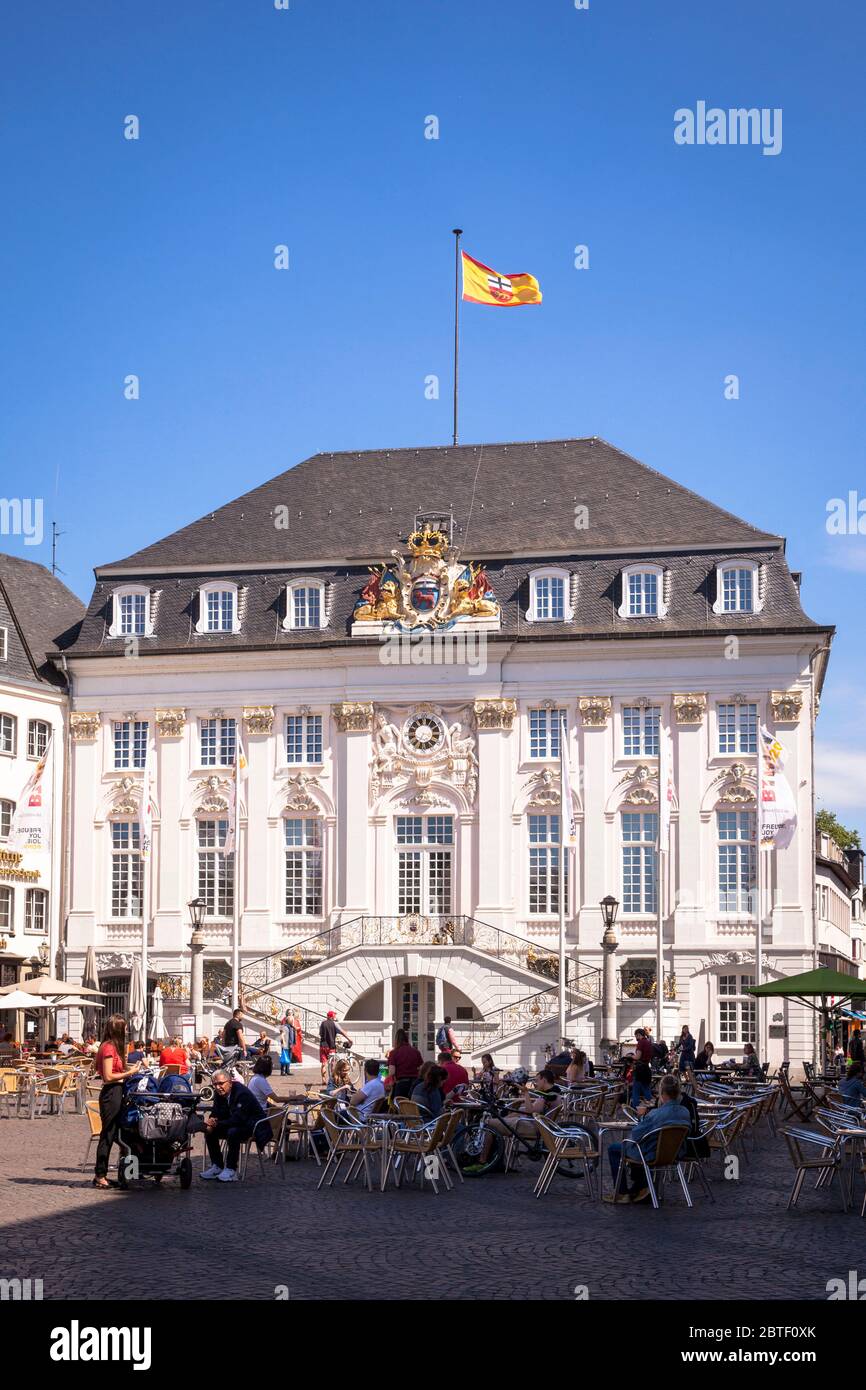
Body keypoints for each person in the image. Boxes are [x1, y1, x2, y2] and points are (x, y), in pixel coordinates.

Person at [605, 1073, 691, 1203]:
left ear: (662, 1093)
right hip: (674, 1154)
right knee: (638, 1147)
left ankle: (622, 1192)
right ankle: (641, 1187)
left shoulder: (656, 1114)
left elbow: (636, 1135)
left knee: (616, 1148)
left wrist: (642, 1118)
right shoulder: (685, 1112)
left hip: (651, 1154)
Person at [93, 1014, 143, 1190]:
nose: (127, 1030)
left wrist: (133, 1068)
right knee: (108, 1134)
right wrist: (130, 1073)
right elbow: (108, 1076)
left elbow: (117, 1069)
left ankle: (129, 1172)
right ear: (118, 1029)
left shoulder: (114, 1047)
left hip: (118, 1091)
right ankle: (100, 1175)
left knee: (124, 1133)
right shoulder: (108, 1048)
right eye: (125, 1027)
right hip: (111, 1094)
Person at [201, 1070, 267, 1183]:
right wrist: (212, 1120)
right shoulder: (219, 1093)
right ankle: (217, 1166)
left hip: (253, 1125)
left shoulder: (242, 1093)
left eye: (221, 1083)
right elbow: (216, 1111)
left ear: (230, 1082)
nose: (218, 1087)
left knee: (233, 1132)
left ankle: (231, 1169)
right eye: (215, 1084)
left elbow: (239, 1118)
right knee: (210, 1132)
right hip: (233, 1122)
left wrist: (217, 1123)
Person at [487, 1069, 562, 1147]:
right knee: (513, 1113)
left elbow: (530, 1111)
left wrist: (526, 1093)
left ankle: (483, 1158)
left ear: (544, 1080)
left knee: (488, 1123)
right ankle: (502, 1122)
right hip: (536, 1124)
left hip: (532, 1127)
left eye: (537, 1080)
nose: (536, 1083)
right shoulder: (553, 1093)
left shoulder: (548, 1096)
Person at [386, 1028, 423, 1099]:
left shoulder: (394, 1053)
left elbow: (392, 1072)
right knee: (412, 1106)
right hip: (415, 1084)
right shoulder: (415, 1051)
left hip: (401, 1084)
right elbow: (422, 1068)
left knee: (400, 1107)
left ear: (396, 1040)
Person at [319, 1011, 352, 1086]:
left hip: (323, 1046)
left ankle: (323, 1080)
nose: (335, 1017)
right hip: (331, 1046)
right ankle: (333, 1080)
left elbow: (320, 1034)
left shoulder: (323, 1023)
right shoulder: (334, 1024)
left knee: (324, 1064)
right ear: (331, 1017)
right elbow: (342, 1032)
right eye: (334, 1016)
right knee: (332, 1064)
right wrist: (350, 1040)